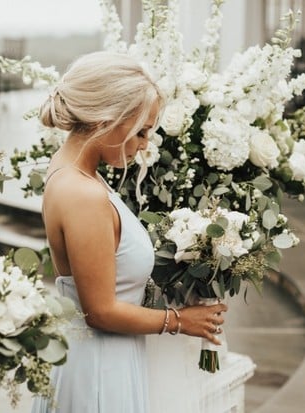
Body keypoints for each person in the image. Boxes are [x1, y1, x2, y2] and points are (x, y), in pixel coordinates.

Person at [30, 51, 228, 413]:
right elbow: (101, 312)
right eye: (141, 130)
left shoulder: (74, 173)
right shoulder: (82, 193)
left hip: (101, 357)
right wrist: (181, 321)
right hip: (100, 370)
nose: (144, 144)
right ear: (109, 118)